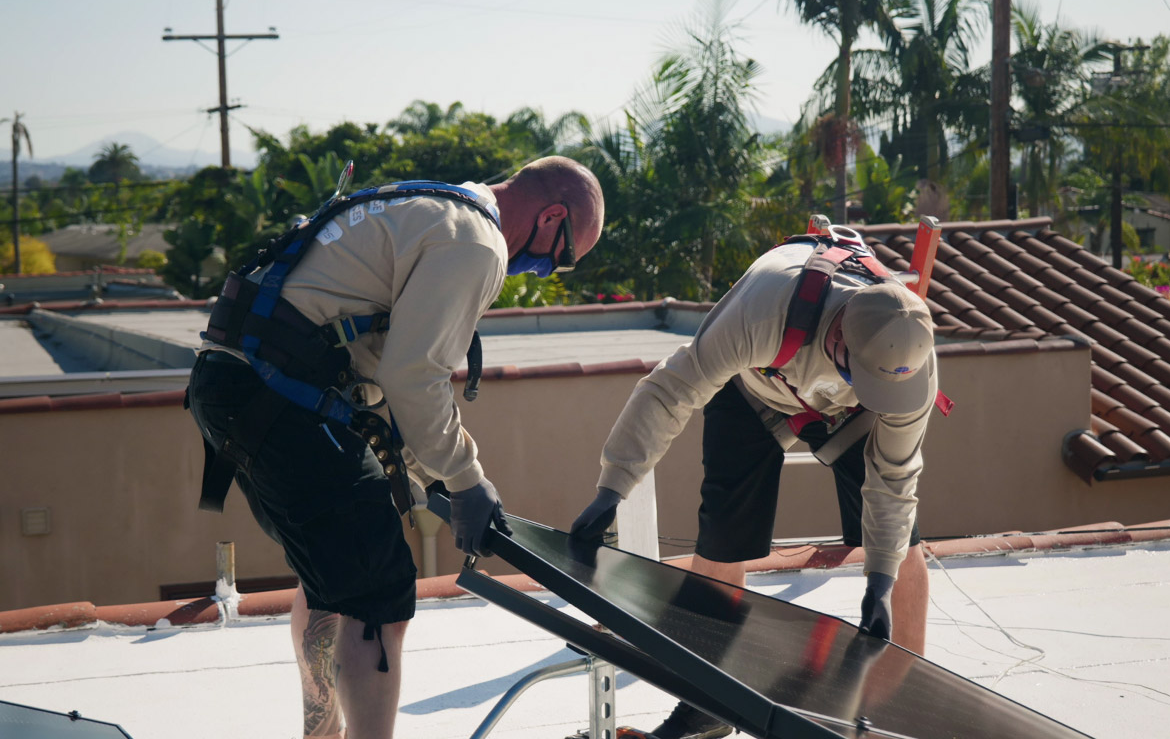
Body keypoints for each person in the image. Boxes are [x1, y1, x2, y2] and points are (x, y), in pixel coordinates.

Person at [187, 156, 604, 739]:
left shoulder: (435, 205)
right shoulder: (477, 243)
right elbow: (416, 379)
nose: (542, 270)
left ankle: (323, 734)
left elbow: (374, 370)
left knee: (335, 575)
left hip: (230, 384)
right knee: (378, 593)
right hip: (276, 396)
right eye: (558, 257)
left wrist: (417, 473)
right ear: (551, 215)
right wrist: (465, 478)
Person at [571, 228, 938, 739]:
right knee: (724, 530)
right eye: (865, 376)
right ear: (838, 337)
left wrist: (879, 580)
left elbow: (895, 481)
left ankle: (891, 704)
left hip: (846, 408)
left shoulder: (908, 368)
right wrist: (613, 489)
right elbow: (670, 391)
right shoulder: (766, 311)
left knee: (902, 544)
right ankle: (708, 702)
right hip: (759, 384)